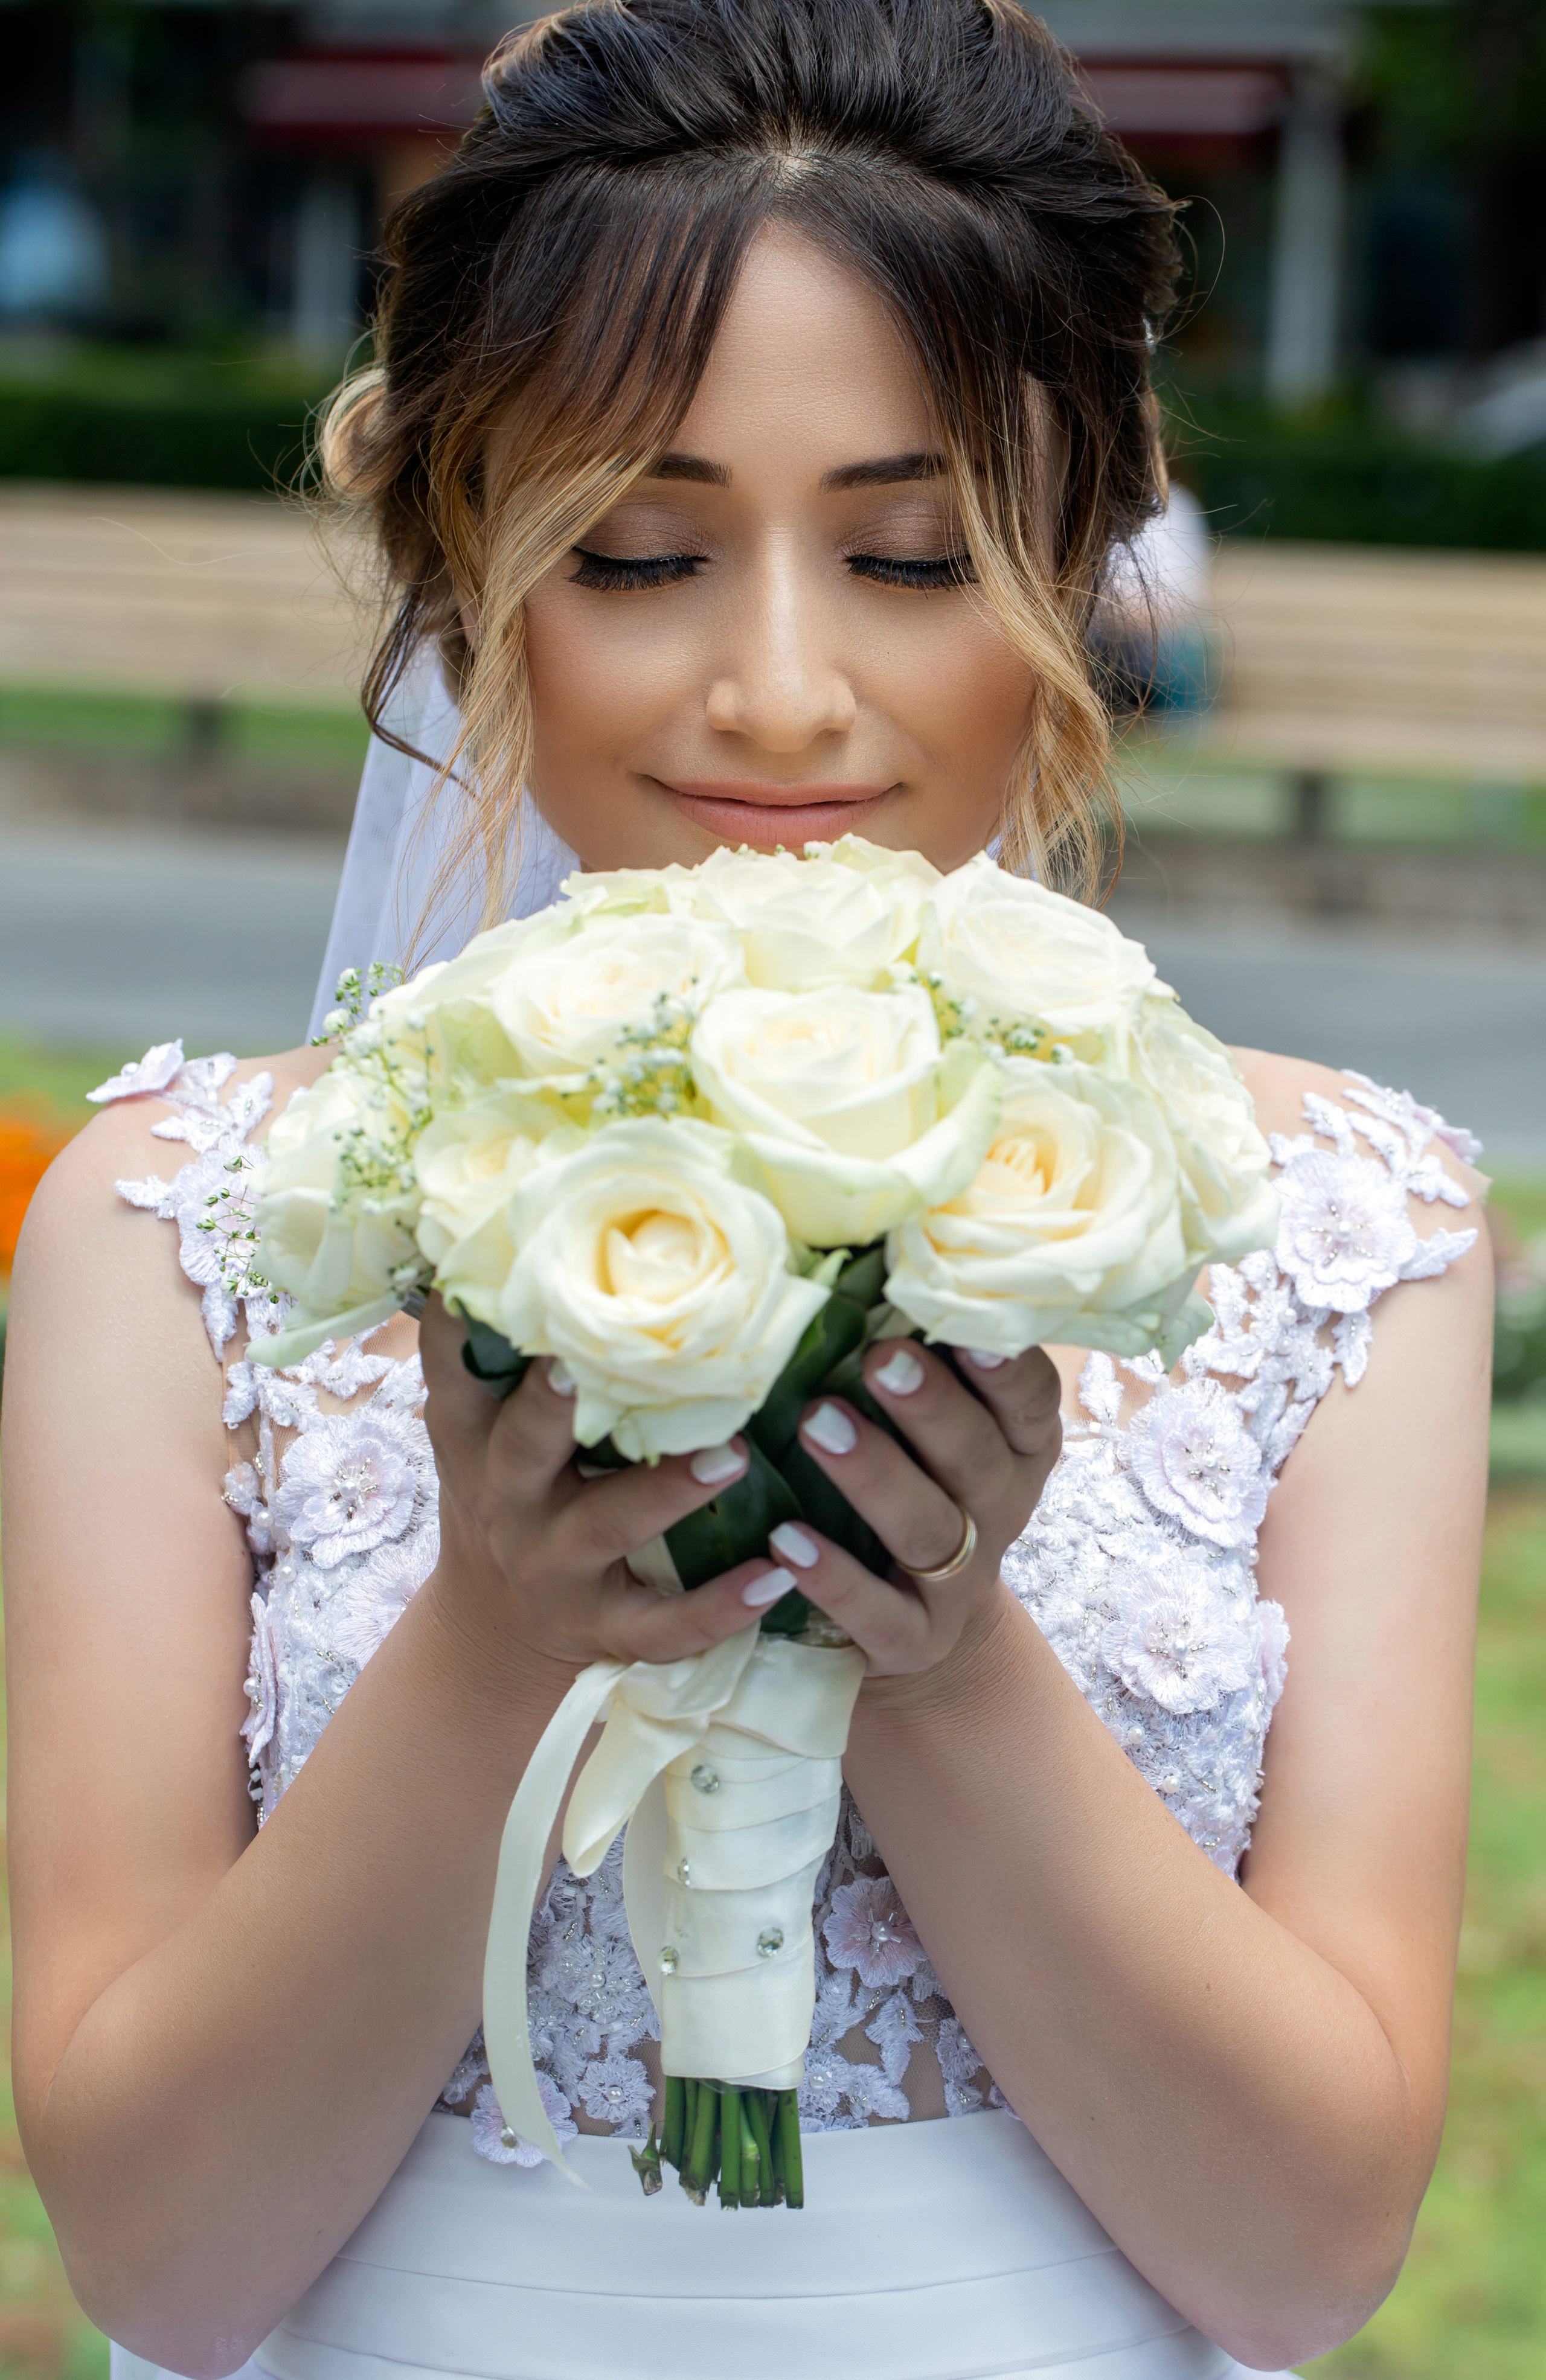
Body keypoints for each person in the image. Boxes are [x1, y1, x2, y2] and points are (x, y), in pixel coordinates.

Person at [2, 7, 1492, 2380]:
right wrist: (507, 1626)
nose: (779, 691)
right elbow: (162, 2262)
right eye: (643, 550)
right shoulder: (176, 1234)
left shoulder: (1332, 1240)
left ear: (1090, 545)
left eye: (908, 550)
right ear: (458, 555)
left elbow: (1303, 2257)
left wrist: (933, 1629)